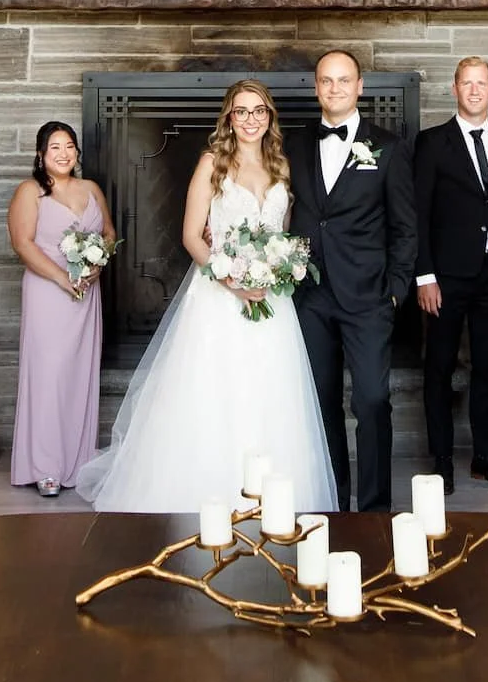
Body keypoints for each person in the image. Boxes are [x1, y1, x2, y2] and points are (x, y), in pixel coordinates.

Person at [78, 80, 337, 513]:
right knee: (219, 394)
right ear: (229, 118)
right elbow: (190, 237)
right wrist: (233, 280)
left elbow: (283, 233)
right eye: (242, 111)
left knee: (272, 394)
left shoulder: (281, 167)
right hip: (220, 298)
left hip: (271, 300)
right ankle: (215, 495)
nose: (251, 120)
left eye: (259, 111)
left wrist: (275, 268)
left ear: (269, 117)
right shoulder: (213, 162)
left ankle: (270, 496)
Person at [290, 48, 419, 512]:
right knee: (320, 404)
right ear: (316, 87)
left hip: (369, 297)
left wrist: (396, 289)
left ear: (360, 86)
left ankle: (373, 509)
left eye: (344, 80)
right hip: (311, 296)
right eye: (326, 80)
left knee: (371, 401)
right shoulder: (294, 142)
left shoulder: (389, 146)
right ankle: (332, 501)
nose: (335, 88)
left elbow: (406, 226)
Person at [412, 56, 488, 494]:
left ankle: (485, 457)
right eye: (468, 83)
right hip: (445, 277)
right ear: (455, 89)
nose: (475, 90)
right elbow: (419, 215)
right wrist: (424, 275)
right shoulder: (431, 143)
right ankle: (441, 460)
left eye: (482, 83)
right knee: (439, 368)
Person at [7, 120, 108, 498]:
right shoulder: (30, 192)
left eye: (69, 147)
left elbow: (108, 234)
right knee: (47, 377)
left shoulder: (91, 189)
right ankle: (45, 466)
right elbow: (23, 243)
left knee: (80, 375)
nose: (64, 154)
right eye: (55, 148)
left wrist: (97, 264)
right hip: (49, 292)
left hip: (86, 294)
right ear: (41, 155)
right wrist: (62, 278)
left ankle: (78, 461)